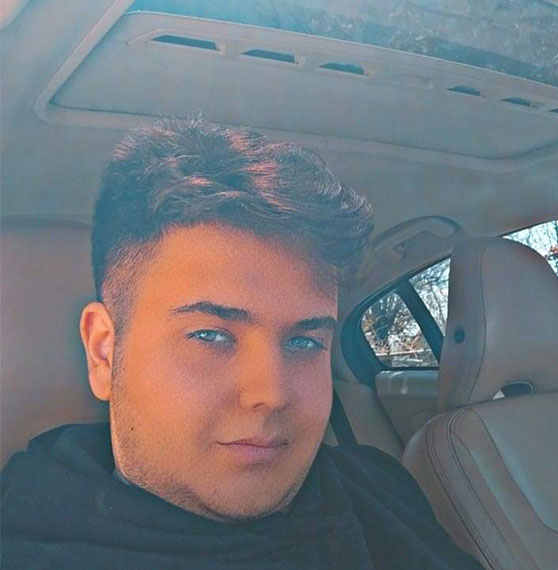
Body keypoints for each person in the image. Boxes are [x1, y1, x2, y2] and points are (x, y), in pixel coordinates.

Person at [1, 118, 483, 569]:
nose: (270, 394)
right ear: (104, 352)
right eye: (209, 335)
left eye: (303, 341)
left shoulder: (379, 483)